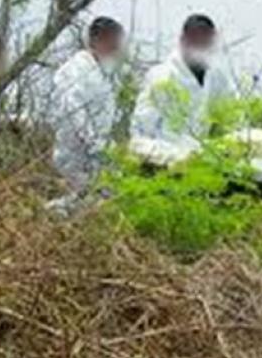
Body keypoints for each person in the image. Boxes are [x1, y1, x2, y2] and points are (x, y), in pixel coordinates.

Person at [47, 16, 126, 217]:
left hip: (95, 153)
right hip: (75, 151)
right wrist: (91, 142)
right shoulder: (75, 70)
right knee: (81, 200)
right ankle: (46, 218)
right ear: (98, 40)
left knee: (98, 201)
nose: (116, 49)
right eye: (113, 43)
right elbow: (72, 109)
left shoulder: (101, 74)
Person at [130, 14, 234, 148]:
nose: (201, 47)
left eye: (206, 42)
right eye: (196, 41)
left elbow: (228, 119)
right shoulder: (162, 75)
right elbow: (142, 126)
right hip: (166, 155)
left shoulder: (218, 78)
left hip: (204, 156)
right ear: (183, 41)